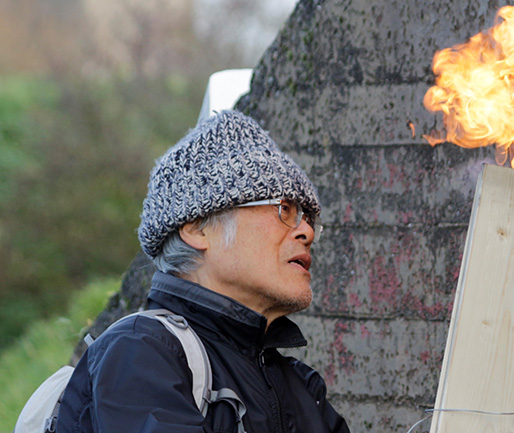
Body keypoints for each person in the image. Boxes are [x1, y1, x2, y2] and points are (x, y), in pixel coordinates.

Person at [56, 110, 350, 433]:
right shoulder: (139, 355)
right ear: (197, 229)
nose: (306, 231)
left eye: (308, 218)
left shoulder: (304, 390)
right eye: (285, 209)